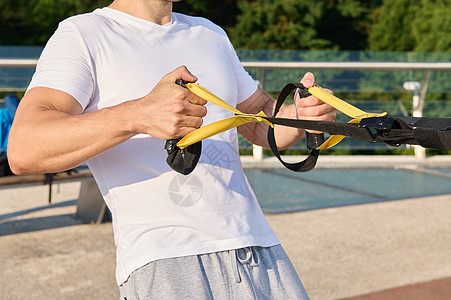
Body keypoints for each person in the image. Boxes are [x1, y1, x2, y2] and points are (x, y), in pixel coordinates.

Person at [8, 0, 335, 299]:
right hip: (166, 260)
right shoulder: (84, 34)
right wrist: (137, 115)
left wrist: (301, 117)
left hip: (258, 247)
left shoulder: (210, 33)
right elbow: (24, 147)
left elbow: (256, 120)